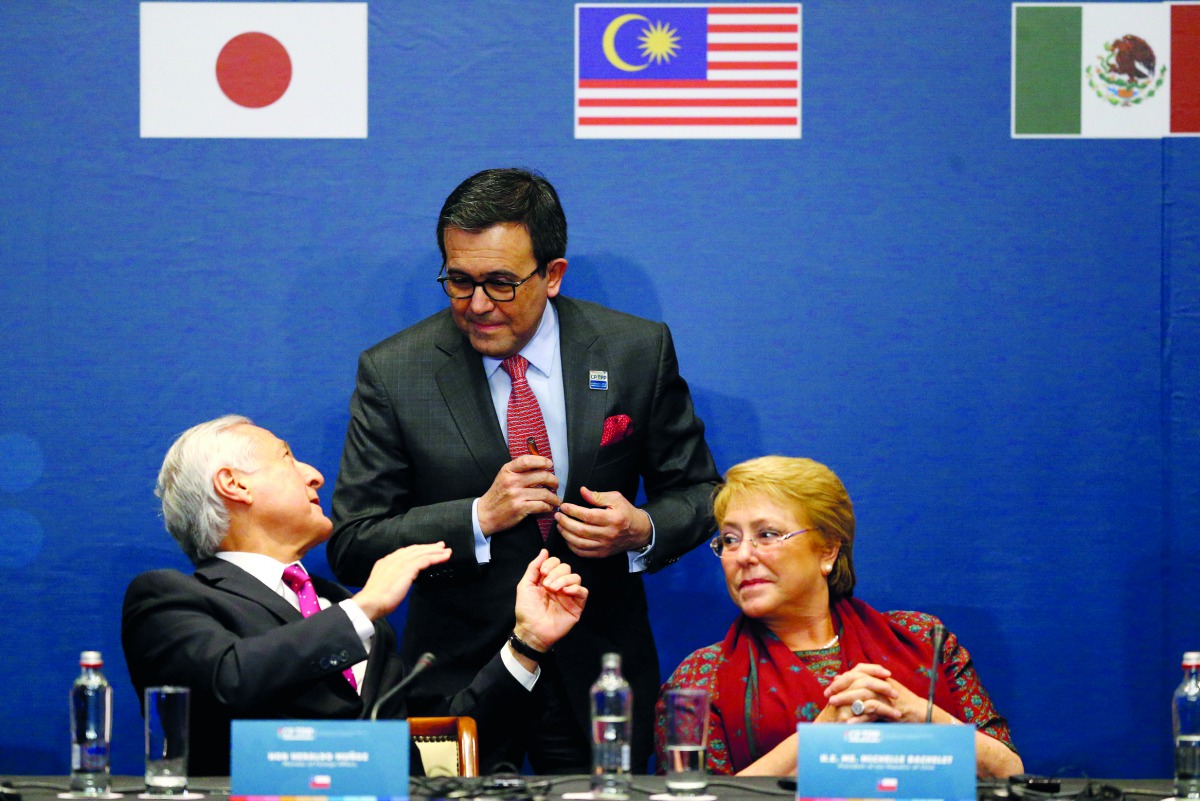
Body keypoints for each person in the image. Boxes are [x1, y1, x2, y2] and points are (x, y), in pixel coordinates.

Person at [328, 167, 720, 773]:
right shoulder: (395, 373)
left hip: (600, 678)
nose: (477, 305)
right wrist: (477, 518)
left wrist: (642, 528)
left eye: (501, 284)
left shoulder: (634, 351)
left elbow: (700, 491)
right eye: (459, 282)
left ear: (553, 275)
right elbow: (353, 543)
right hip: (453, 683)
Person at [123, 415, 588, 776]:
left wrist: (527, 644)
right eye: (287, 457)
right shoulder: (168, 600)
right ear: (234, 484)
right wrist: (362, 607)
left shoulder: (342, 611)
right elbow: (230, 680)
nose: (315, 476)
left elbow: (436, 753)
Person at [655, 456, 1023, 778]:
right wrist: (823, 738)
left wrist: (912, 711)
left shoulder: (925, 639)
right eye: (730, 540)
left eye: (766, 535)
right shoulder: (701, 677)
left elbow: (1009, 773)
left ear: (828, 550)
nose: (743, 556)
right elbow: (688, 796)